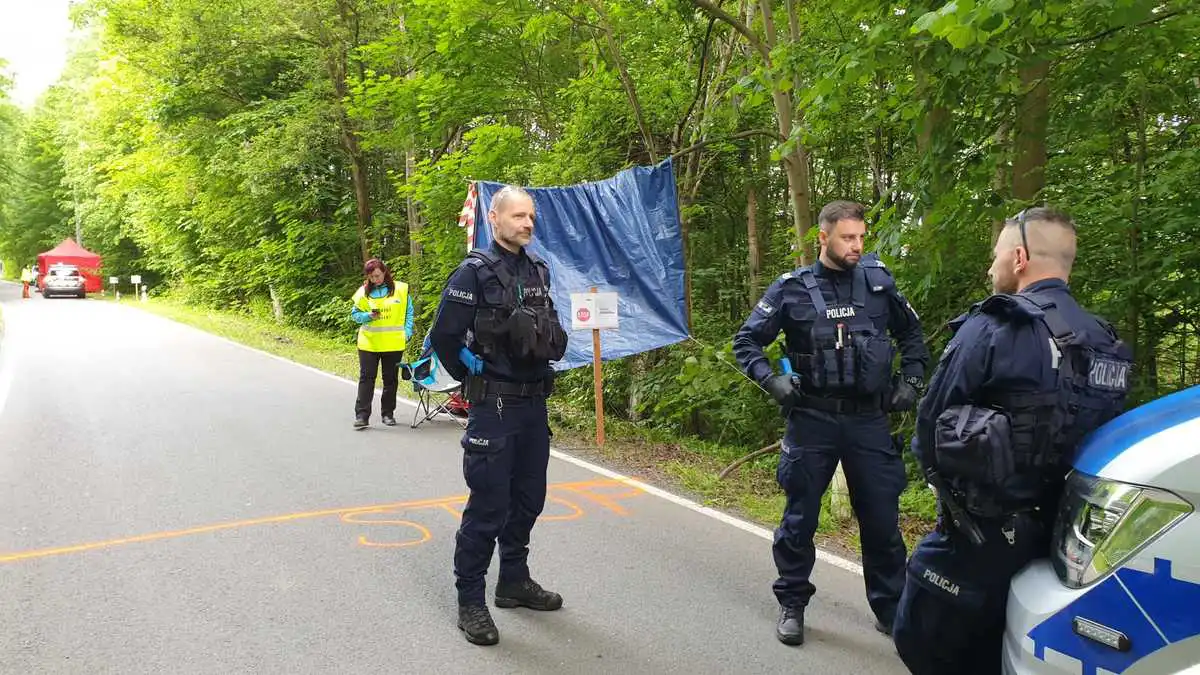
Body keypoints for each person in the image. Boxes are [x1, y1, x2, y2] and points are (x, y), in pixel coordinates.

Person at [891, 208, 1133, 674]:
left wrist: (954, 504)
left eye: (996, 254)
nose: (991, 265)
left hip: (981, 535)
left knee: (924, 637)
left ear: (1019, 257)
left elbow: (931, 427)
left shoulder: (997, 325)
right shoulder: (1106, 341)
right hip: (1067, 540)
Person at [733, 200, 930, 646]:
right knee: (800, 518)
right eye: (847, 237)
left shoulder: (880, 285)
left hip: (868, 420)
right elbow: (746, 340)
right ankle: (792, 602)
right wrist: (771, 378)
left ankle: (891, 609)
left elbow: (912, 336)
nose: (856, 245)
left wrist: (912, 381)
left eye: (861, 237)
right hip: (812, 420)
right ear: (822, 238)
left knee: (881, 518)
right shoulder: (790, 289)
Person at [428, 185, 568, 646]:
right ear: (495, 219)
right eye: (518, 217)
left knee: (529, 500)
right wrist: (472, 376)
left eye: (531, 217)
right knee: (488, 507)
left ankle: (513, 581)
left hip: (533, 406)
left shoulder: (537, 271)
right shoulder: (472, 273)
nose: (527, 224)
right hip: (494, 407)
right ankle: (471, 600)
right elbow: (445, 336)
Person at [350, 258, 413, 429]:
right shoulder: (363, 292)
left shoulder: (400, 289)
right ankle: (362, 416)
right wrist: (368, 316)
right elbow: (354, 315)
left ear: (384, 272)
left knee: (390, 380)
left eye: (377, 275)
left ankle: (388, 414)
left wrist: (407, 332)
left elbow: (409, 313)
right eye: (371, 277)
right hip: (369, 344)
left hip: (393, 344)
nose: (375, 280)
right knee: (366, 379)